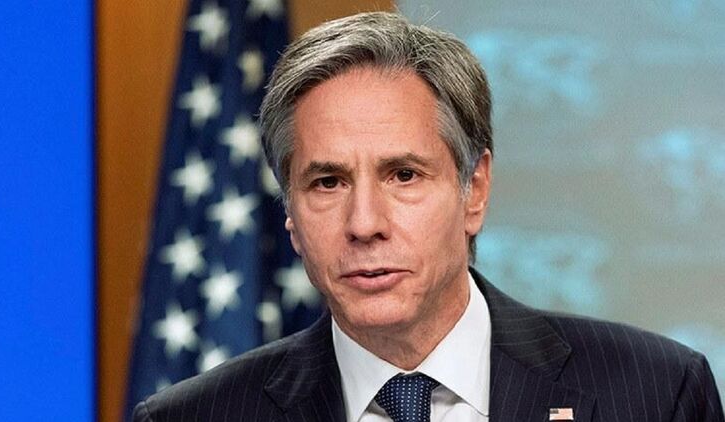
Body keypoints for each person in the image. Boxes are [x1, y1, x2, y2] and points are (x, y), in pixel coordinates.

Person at [133, 11, 724, 422]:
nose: (364, 223)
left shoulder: (656, 394)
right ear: (290, 213)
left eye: (404, 175)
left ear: (475, 190)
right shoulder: (192, 419)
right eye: (328, 182)